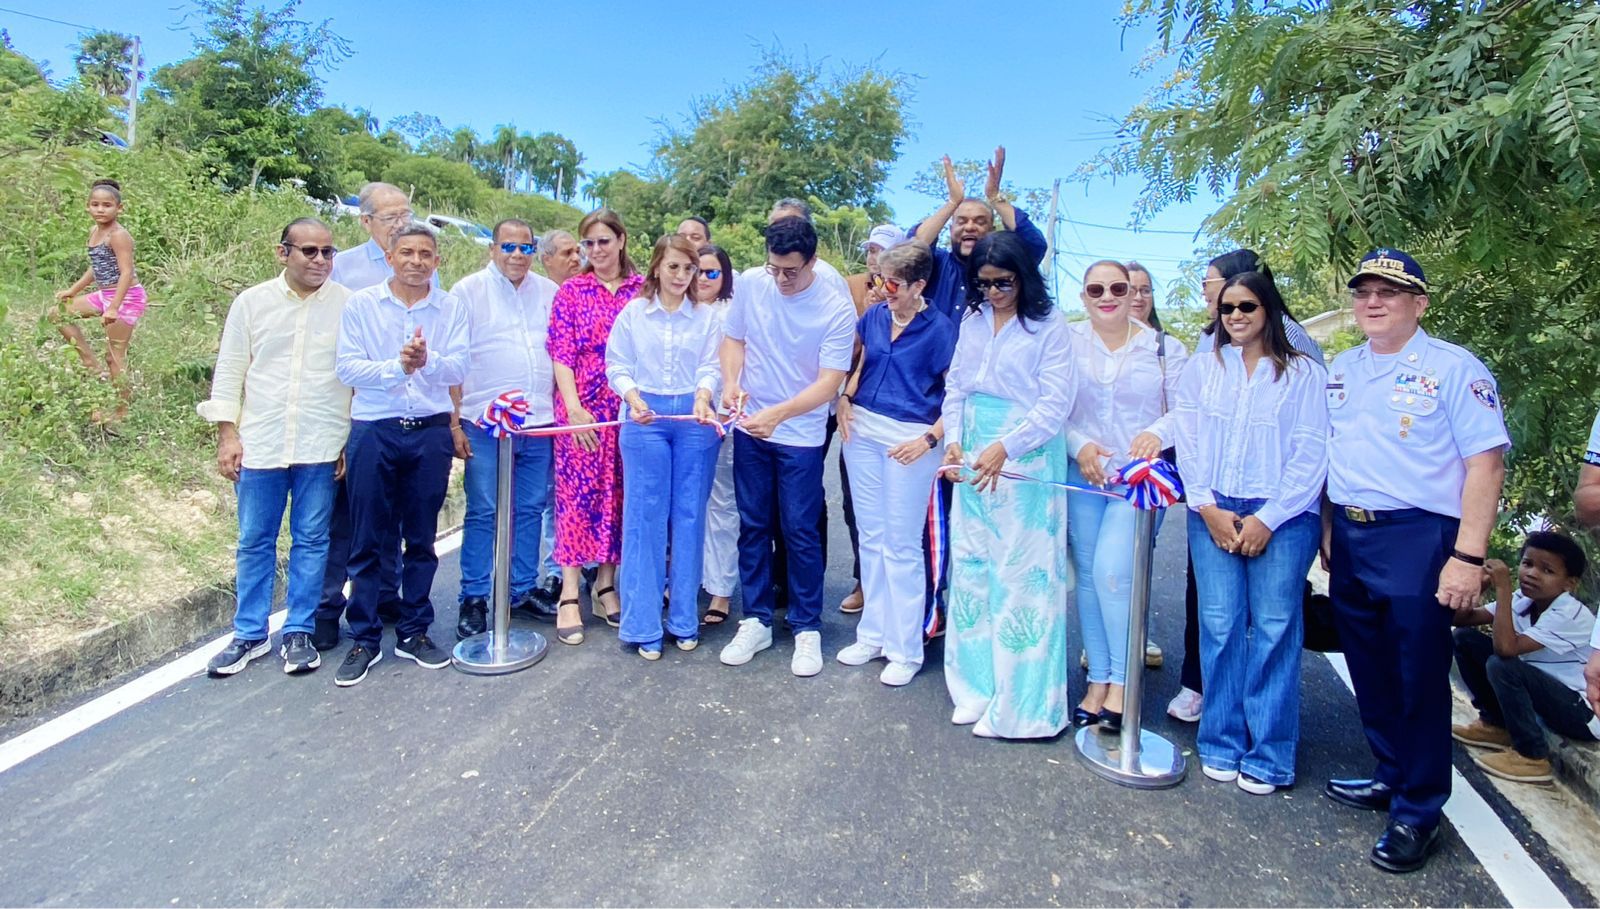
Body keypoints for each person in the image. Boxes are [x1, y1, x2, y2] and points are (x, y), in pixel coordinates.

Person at [1321, 248, 1509, 874]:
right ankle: (1390, 775)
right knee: (1369, 668)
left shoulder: (1455, 369)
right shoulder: (1342, 368)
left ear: (1419, 304)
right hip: (1351, 536)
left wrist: (1467, 558)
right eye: (1364, 292)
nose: (1373, 302)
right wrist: (1327, 528)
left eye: (1390, 293)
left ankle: (1420, 809)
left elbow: (1486, 466)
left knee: (1418, 676)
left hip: (1421, 539)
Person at [1175, 270, 1329, 794]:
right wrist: (1206, 506)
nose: (1236, 316)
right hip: (1212, 506)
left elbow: (1313, 449)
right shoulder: (1202, 369)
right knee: (1217, 626)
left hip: (1284, 516)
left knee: (1275, 628)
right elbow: (1190, 441)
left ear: (1269, 310)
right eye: (1227, 309)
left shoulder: (1303, 372)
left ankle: (1269, 754)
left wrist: (1270, 517)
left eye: (1246, 306)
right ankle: (1219, 742)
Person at [198, 218, 351, 676]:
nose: (320, 260)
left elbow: (352, 378)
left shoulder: (349, 306)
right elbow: (229, 370)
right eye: (309, 251)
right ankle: (248, 634)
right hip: (260, 442)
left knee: (311, 540)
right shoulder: (252, 304)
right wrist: (227, 432)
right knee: (254, 541)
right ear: (283, 253)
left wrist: (346, 440)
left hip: (321, 443)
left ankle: (299, 631)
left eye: (327, 252)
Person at [940, 233, 1076, 736]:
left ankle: (1023, 708)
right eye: (984, 284)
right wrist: (954, 439)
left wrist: (1008, 445)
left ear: (1024, 277)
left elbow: (1055, 403)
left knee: (1021, 579)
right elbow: (956, 387)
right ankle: (975, 689)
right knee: (973, 570)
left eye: (1004, 283)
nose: (994, 292)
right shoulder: (973, 320)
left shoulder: (1049, 325)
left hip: (1026, 457)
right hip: (973, 447)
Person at [718, 216, 856, 677]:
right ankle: (755, 619)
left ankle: (806, 626)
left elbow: (829, 383)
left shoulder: (835, 308)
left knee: (800, 529)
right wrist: (733, 382)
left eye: (790, 271)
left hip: (799, 435)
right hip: (750, 427)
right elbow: (733, 339)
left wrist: (778, 414)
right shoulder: (754, 284)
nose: (780, 278)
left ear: (812, 261)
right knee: (753, 524)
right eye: (774, 267)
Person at [333, 226, 468, 687]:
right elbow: (347, 366)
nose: (416, 260)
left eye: (425, 254)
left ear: (437, 261)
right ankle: (365, 637)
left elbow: (460, 366)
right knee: (368, 539)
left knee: (422, 538)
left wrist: (426, 360)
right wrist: (398, 366)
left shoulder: (451, 307)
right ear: (389, 257)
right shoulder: (362, 304)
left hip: (429, 432)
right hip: (375, 430)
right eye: (406, 252)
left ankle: (414, 630)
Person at [1066, 260, 1188, 733]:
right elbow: (1051, 404)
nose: (1108, 296)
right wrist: (1080, 447)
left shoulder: (1163, 349)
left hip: (1137, 482)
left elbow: (1185, 410)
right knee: (1091, 579)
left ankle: (1122, 679)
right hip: (1082, 474)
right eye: (1096, 288)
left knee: (1114, 573)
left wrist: (1156, 433)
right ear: (1084, 296)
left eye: (1118, 287)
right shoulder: (1066, 341)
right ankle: (1098, 678)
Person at [314, 181, 428, 651]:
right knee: (346, 516)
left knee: (393, 513)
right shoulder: (341, 268)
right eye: (390, 218)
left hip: (401, 409)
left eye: (406, 215)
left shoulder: (420, 264)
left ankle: (386, 597)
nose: (401, 225)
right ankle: (326, 608)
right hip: (350, 401)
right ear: (365, 222)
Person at [836, 242, 956, 686]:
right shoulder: (875, 316)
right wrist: (845, 399)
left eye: (892, 283)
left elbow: (956, 395)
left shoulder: (941, 329)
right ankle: (873, 634)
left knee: (903, 546)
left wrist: (929, 440)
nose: (882, 290)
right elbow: (861, 360)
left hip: (910, 438)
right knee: (871, 536)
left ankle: (906, 648)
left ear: (920, 285)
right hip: (861, 431)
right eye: (878, 280)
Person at [607, 235, 723, 659]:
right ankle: (641, 625)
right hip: (645, 420)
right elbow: (616, 364)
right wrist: (633, 397)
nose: (681, 276)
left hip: (695, 420)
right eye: (673, 267)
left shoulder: (707, 317)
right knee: (644, 518)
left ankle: (683, 621)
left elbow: (713, 365)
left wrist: (704, 395)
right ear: (657, 267)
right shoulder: (634, 313)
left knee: (689, 516)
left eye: (689, 269)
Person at [448, 219, 561, 639]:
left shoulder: (548, 292)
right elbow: (454, 361)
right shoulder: (468, 291)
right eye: (508, 246)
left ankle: (520, 589)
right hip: (484, 422)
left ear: (534, 252)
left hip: (538, 421)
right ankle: (475, 597)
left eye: (525, 248)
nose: (517, 255)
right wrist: (455, 419)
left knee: (530, 508)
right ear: (493, 248)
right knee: (484, 510)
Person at [547, 209, 644, 644]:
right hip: (581, 406)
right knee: (575, 497)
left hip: (626, 404)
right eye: (589, 243)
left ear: (621, 241)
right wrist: (573, 410)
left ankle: (606, 582)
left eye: (604, 241)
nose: (597, 250)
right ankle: (570, 589)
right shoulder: (571, 291)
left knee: (618, 495)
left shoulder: (643, 291)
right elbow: (561, 354)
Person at [1450, 532, 1598, 783]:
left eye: (1547, 570)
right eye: (1527, 564)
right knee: (1464, 639)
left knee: (1502, 664)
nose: (1531, 574)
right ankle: (1495, 725)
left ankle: (1532, 756)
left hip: (1581, 713)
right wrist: (1482, 585)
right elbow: (1460, 619)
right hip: (1544, 692)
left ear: (1569, 584)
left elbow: (1507, 649)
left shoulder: (1571, 615)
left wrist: (1504, 588)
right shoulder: (1524, 599)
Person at [910, 149, 1048, 323]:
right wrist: (953, 203)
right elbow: (913, 247)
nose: (970, 227)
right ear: (951, 229)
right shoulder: (935, 264)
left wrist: (995, 198)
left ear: (991, 231)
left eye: (980, 222)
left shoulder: (1004, 269)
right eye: (961, 221)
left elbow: (1034, 245)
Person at [53, 178, 144, 422]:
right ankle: (90, 364)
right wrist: (72, 291)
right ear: (87, 206)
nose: (100, 210)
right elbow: (98, 267)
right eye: (95, 205)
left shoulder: (118, 235)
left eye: (106, 205)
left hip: (126, 297)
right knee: (57, 313)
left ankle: (121, 412)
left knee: (114, 356)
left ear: (119, 209)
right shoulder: (95, 232)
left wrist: (114, 307)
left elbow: (126, 271)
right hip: (104, 294)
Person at [528, 227, 585, 608]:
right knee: (547, 498)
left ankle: (587, 566)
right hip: (541, 411)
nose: (576, 259)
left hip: (578, 408)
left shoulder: (585, 292)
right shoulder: (537, 293)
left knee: (575, 494)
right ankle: (552, 572)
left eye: (577, 251)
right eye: (566, 253)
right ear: (546, 258)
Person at [695, 245, 739, 626]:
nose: (703, 279)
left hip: (723, 420)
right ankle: (685, 579)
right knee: (684, 505)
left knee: (721, 505)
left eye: (712, 272)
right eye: (697, 271)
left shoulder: (733, 315)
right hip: (681, 421)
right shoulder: (679, 311)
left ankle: (721, 589)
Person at [1126, 261, 1162, 330]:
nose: (1138, 297)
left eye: (1145, 291)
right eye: (1131, 291)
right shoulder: (1101, 339)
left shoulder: (1166, 340)